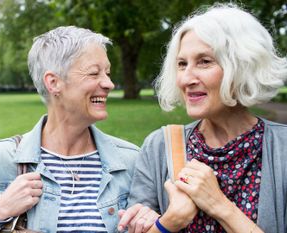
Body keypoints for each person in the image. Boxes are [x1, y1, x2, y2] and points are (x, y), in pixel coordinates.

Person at [0, 26, 140, 233]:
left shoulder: (131, 160)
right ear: (53, 83)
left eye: (107, 73)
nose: (109, 83)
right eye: (94, 73)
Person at [118, 3, 287, 233]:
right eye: (182, 64)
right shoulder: (159, 147)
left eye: (204, 61)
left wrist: (219, 205)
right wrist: (169, 222)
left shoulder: (283, 149)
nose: (186, 79)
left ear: (242, 66)